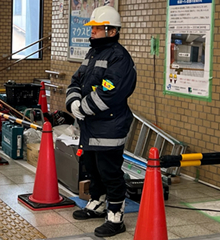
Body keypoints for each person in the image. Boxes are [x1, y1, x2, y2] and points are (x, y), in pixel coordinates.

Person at [65, 5, 137, 238]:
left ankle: (115, 217)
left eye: (97, 28)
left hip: (110, 124)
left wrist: (83, 108)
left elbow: (112, 93)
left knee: (109, 170)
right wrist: (73, 102)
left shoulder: (119, 57)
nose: (92, 31)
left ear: (112, 31)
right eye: (93, 27)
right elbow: (77, 80)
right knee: (92, 166)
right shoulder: (93, 53)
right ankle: (97, 202)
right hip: (90, 125)